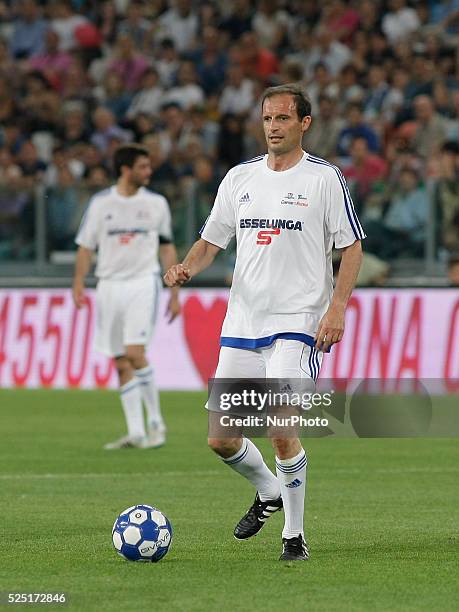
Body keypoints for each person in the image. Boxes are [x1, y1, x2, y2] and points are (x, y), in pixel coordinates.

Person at [164, 84, 364, 561]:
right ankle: (271, 491)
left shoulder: (324, 179)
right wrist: (188, 267)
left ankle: (293, 536)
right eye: (267, 119)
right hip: (243, 320)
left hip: (298, 319)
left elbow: (351, 246)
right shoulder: (240, 178)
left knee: (278, 423)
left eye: (282, 119)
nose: (273, 127)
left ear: (304, 123)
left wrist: (336, 308)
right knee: (221, 438)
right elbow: (212, 239)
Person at [73, 144, 180, 449]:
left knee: (135, 353)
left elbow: (167, 247)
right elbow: (85, 247)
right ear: (125, 170)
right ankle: (135, 432)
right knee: (120, 362)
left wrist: (174, 293)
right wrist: (78, 283)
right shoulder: (101, 204)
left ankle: (157, 423)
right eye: (143, 167)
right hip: (108, 285)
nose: (149, 172)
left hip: (142, 282)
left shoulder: (157, 203)